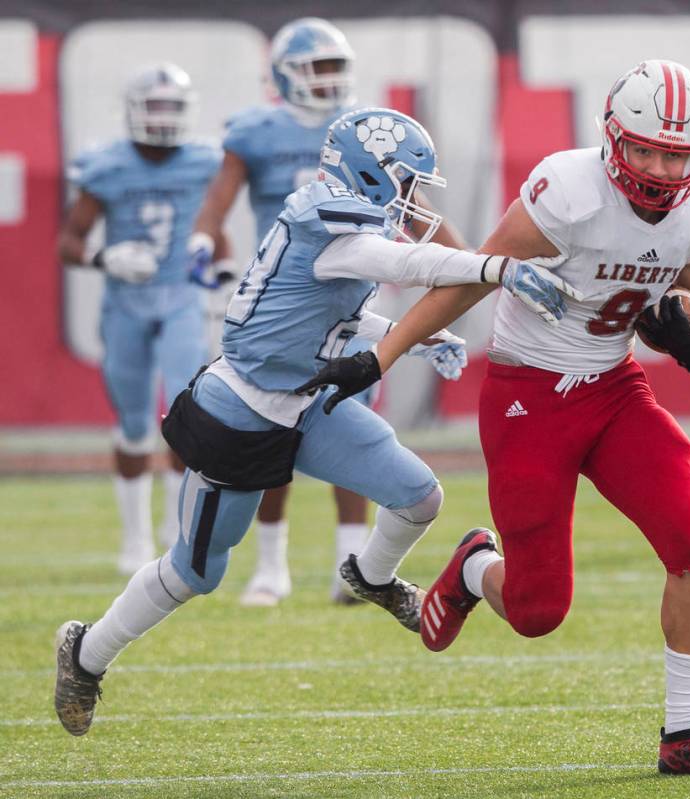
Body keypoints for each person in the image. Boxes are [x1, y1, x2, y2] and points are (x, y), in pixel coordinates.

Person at [299, 61, 690, 777]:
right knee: (538, 610)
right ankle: (475, 563)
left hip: (614, 388)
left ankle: (686, 735)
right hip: (528, 395)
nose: (661, 168)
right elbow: (469, 275)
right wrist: (382, 356)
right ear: (614, 140)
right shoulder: (568, 193)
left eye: (676, 154)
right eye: (645, 149)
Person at [53, 106, 576, 737]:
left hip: (309, 397)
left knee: (419, 497)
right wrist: (498, 266)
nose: (414, 198)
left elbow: (331, 321)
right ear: (371, 174)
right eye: (406, 180)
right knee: (196, 572)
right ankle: (86, 654)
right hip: (243, 409)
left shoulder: (339, 219)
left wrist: (413, 340)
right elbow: (413, 268)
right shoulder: (332, 226)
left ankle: (370, 577)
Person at [189, 17, 454, 607]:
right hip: (283, 305)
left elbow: (413, 209)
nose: (328, 79)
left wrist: (472, 264)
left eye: (336, 67)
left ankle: (350, 563)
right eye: (316, 67)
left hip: (348, 299)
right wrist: (205, 243)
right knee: (270, 427)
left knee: (354, 427)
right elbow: (217, 205)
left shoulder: (368, 130)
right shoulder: (256, 131)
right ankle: (271, 564)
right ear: (282, 75)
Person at [57, 63, 224, 575]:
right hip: (126, 303)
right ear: (132, 110)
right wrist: (104, 258)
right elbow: (70, 242)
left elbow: (216, 231)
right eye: (153, 105)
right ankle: (133, 539)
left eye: (171, 106)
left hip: (180, 299)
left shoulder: (202, 161)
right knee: (132, 426)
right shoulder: (105, 166)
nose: (162, 117)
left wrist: (221, 270)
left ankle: (175, 535)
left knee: (181, 415)